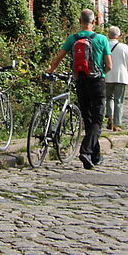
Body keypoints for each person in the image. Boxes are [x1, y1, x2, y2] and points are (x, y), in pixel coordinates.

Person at [47, 10, 112, 169]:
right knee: (97, 120)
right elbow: (109, 65)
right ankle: (86, 151)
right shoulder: (102, 39)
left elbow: (57, 59)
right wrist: (100, 73)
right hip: (97, 81)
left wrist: (50, 71)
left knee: (88, 117)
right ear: (94, 22)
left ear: (79, 21)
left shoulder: (73, 38)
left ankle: (95, 156)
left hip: (80, 81)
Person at [104, 26, 128, 131]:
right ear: (119, 36)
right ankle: (117, 124)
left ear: (108, 35)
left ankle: (109, 116)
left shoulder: (105, 44)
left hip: (108, 76)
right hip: (121, 76)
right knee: (119, 100)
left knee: (109, 98)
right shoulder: (124, 47)